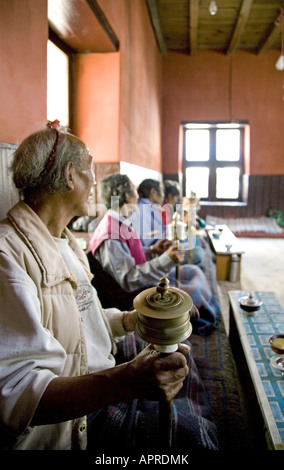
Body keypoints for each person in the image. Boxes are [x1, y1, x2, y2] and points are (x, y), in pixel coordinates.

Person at [0, 122, 218, 452]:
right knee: (193, 436)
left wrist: (133, 320)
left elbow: (81, 318)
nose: (96, 183)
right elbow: (16, 395)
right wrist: (126, 380)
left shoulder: (65, 242)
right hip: (73, 425)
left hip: (103, 383)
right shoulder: (8, 257)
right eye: (91, 171)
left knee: (184, 379)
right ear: (70, 175)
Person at [89, 174, 219, 335]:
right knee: (192, 293)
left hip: (143, 281)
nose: (138, 195)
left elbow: (128, 256)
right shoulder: (110, 235)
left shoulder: (120, 222)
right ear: (127, 196)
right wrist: (166, 260)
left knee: (194, 271)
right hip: (132, 297)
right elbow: (128, 280)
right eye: (135, 191)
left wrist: (153, 250)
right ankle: (198, 323)